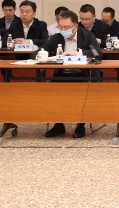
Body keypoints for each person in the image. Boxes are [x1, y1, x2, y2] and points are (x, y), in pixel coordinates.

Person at [36, 10, 102, 139]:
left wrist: (78, 53)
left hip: (83, 74)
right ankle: (59, 125)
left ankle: (81, 125)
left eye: (66, 27)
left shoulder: (87, 35)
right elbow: (38, 52)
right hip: (62, 74)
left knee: (82, 92)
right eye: (60, 27)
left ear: (75, 26)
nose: (63, 30)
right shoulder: (57, 37)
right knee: (51, 90)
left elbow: (98, 54)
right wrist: (43, 55)